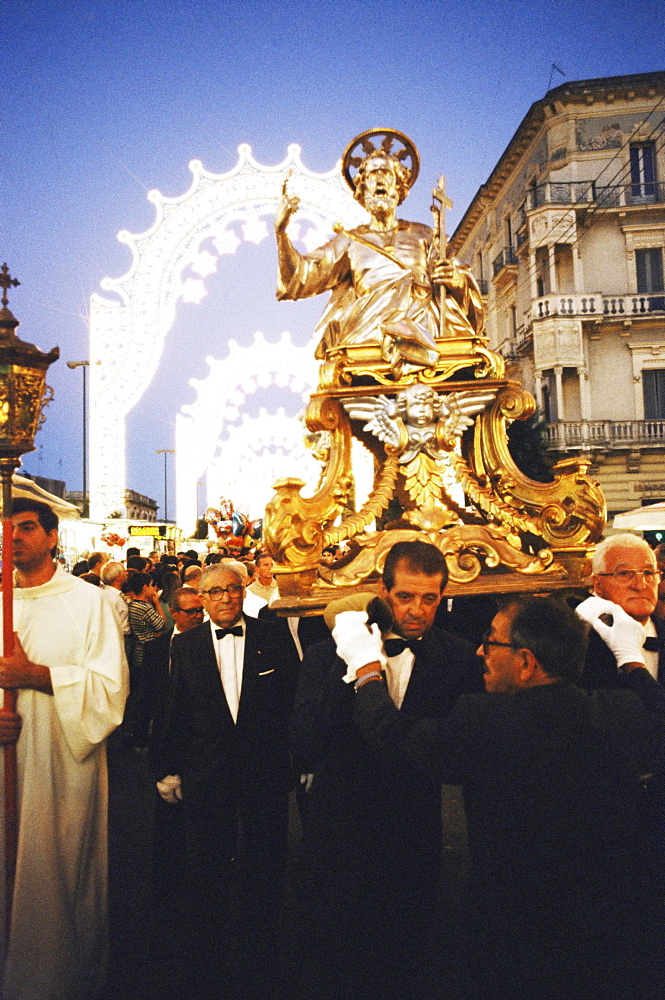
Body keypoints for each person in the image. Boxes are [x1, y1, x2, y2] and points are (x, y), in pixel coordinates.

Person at [349, 595, 665, 999]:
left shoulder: (483, 720)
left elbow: (391, 737)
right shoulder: (621, 712)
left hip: (509, 926)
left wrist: (366, 670)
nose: (480, 650)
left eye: (492, 640)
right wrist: (632, 661)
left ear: (527, 662)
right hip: (607, 926)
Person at [291, 540, 484, 1000]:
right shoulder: (328, 653)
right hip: (338, 825)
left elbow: (454, 746)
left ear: (443, 596)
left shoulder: (460, 659)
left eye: (430, 598)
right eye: (405, 597)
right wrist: (353, 668)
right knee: (334, 953)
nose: (417, 610)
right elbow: (303, 742)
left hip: (414, 828)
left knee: (407, 952)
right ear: (383, 591)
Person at [0, 498, 128, 1000]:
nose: (14, 537)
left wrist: (37, 677)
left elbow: (111, 690)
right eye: (7, 529)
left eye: (27, 528)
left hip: (61, 767)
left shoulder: (87, 602)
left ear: (53, 536)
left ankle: (53, 981)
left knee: (54, 877)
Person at [156, 562, 298, 998]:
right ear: (202, 597)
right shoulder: (189, 644)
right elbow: (176, 709)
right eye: (215, 592)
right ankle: (205, 951)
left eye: (232, 590)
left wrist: (298, 760)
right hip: (207, 770)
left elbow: (292, 700)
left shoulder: (272, 636)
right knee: (206, 861)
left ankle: (260, 946)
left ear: (242, 592)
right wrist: (167, 766)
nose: (224, 599)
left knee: (266, 858)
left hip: (265, 769)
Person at [275, 133, 483, 374]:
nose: (381, 180)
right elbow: (301, 277)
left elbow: (456, 273)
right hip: (367, 332)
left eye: (387, 173)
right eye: (374, 174)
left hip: (423, 325)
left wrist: (456, 280)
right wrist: (281, 233)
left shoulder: (424, 234)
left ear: (399, 186)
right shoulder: (349, 240)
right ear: (363, 188)